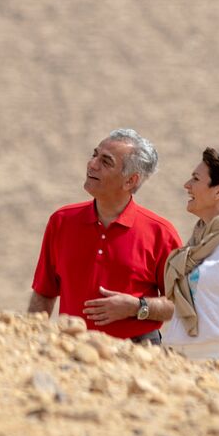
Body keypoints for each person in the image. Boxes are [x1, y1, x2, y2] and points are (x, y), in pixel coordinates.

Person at [92, 148, 219, 366]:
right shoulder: (197, 245)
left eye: (195, 179)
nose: (187, 185)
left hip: (217, 364)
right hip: (177, 362)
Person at [28, 129, 181, 343]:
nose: (92, 164)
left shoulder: (161, 234)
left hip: (138, 356)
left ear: (130, 181)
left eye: (106, 161)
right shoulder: (61, 221)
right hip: (71, 350)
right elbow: (44, 293)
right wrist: (32, 342)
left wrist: (137, 307)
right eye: (94, 155)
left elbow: (181, 306)